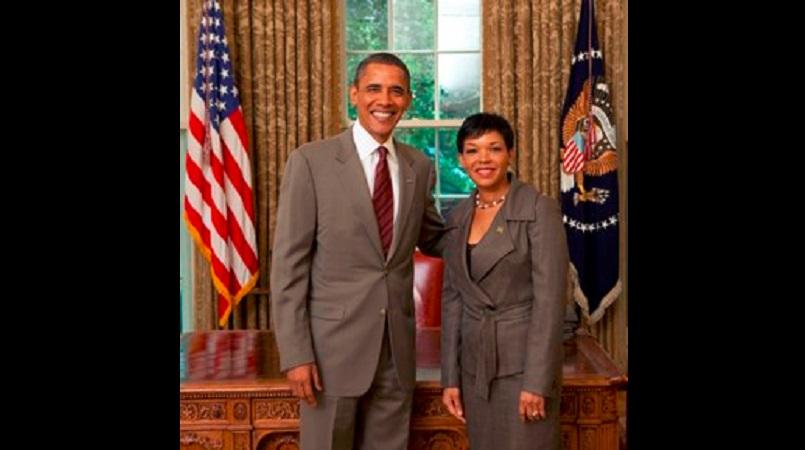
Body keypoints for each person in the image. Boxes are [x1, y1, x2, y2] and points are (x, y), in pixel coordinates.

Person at [270, 52, 446, 450]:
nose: (384, 100)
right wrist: (296, 354)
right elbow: (288, 268)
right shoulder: (310, 162)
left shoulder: (418, 166)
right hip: (330, 353)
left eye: (396, 91)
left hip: (396, 353)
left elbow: (435, 235)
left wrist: (496, 221)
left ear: (408, 100)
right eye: (373, 88)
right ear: (354, 94)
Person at [440, 112, 569, 450]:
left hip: (522, 368)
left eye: (494, 149)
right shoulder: (456, 218)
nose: (483, 159)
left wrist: (537, 382)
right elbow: (453, 301)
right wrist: (450, 379)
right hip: (474, 370)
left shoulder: (540, 210)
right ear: (460, 159)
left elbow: (550, 304)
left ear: (510, 154)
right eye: (472, 150)